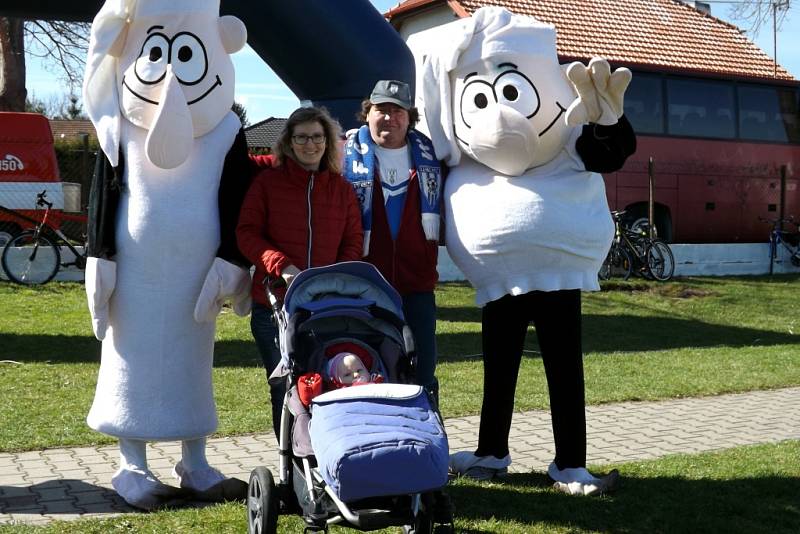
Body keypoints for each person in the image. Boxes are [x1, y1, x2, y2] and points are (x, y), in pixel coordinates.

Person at [237, 106, 364, 439]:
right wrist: (282, 266)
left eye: (317, 137)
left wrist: (332, 279)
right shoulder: (267, 184)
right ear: (289, 143)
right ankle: (289, 468)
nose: (311, 145)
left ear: (328, 142)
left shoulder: (342, 190)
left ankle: (322, 459)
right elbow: (247, 233)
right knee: (284, 389)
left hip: (324, 307)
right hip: (274, 307)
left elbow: (352, 242)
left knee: (326, 384)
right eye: (302, 137)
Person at [343, 80, 444, 402]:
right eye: (381, 110)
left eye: (397, 111)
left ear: (409, 117)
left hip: (417, 283)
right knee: (368, 364)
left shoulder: (431, 157)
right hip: (365, 282)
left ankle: (428, 439)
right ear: (367, 114)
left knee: (423, 368)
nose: (389, 118)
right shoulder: (343, 156)